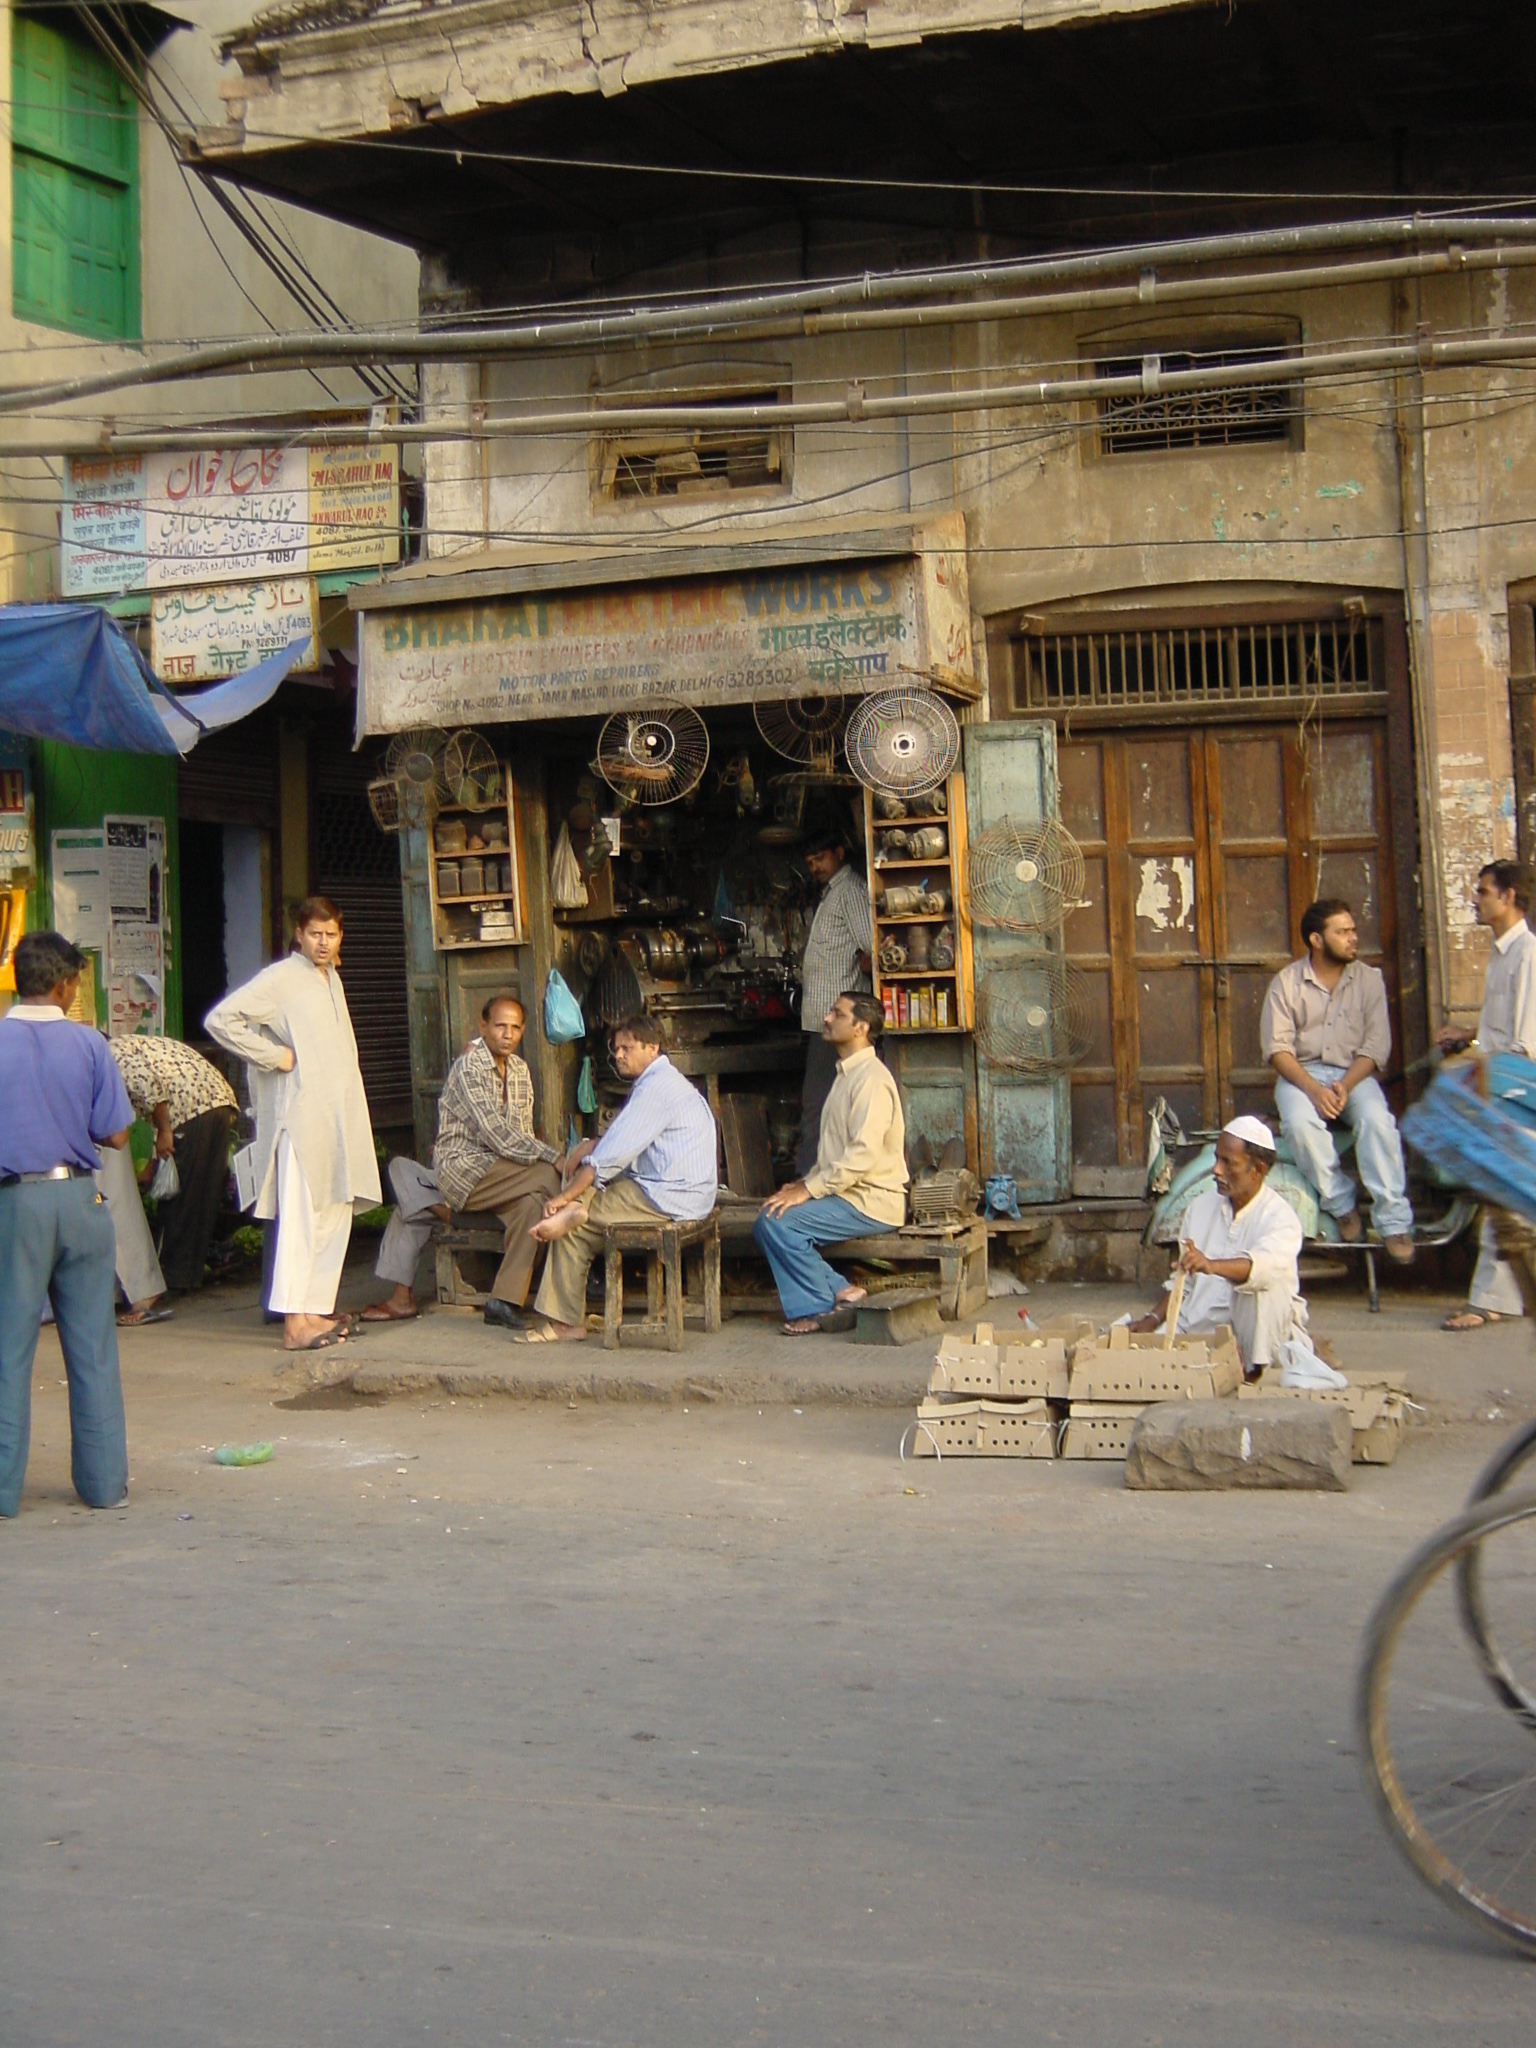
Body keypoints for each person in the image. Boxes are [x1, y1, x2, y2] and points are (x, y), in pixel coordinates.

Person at [205, 896, 380, 1353]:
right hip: (300, 1118)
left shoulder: (331, 979)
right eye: (315, 934)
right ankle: (293, 1322)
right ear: (299, 934)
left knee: (334, 1213)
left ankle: (315, 1309)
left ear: (340, 937)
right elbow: (221, 1020)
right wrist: (275, 1056)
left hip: (339, 1115)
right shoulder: (280, 978)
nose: (323, 943)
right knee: (303, 1219)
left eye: (332, 934)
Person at [0, 932, 134, 1515]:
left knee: (8, 1350)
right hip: (83, 1202)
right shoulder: (90, 1045)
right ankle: (105, 1487)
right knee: (93, 1350)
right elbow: (118, 1134)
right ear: (62, 985)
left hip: (16, 1204)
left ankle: (4, 1492)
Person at [368, 992, 563, 1328]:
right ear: (482, 1026)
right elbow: (495, 1132)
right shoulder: (468, 1068)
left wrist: (546, 1157)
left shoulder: (519, 1070)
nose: (507, 1034)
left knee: (533, 1205)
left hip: (502, 1174)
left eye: (515, 1028)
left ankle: (503, 1300)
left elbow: (522, 1134)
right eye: (500, 1026)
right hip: (465, 1171)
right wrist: (558, 1158)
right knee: (549, 1175)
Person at [522, 1013, 717, 1343]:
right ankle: (579, 1209)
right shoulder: (666, 1082)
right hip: (683, 1193)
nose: (619, 1056)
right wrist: (594, 1145)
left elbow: (604, 1163)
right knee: (588, 1195)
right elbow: (619, 1144)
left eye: (627, 1048)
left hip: (668, 1198)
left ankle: (567, 1323)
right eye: (616, 1049)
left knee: (574, 1229)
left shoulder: (655, 1089)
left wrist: (562, 1197)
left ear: (652, 1047)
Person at [1261, 897, 1414, 1264]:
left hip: (1354, 1074)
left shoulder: (1368, 980)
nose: (1352, 938)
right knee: (1299, 1125)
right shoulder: (1287, 983)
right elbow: (1277, 1049)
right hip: (1303, 1076)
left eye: (1352, 931)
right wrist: (1313, 1090)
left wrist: (1345, 1085)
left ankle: (1394, 1222)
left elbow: (1377, 1046)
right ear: (1316, 939)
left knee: (1378, 1122)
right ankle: (1342, 1205)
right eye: (1341, 932)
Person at [755, 991, 907, 1335]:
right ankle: (842, 1290)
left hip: (872, 1201)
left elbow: (861, 1158)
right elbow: (836, 1155)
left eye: (838, 1014)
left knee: (780, 1223)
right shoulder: (846, 1074)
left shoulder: (871, 1079)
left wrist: (809, 1189)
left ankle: (818, 1308)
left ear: (860, 1028)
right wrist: (801, 1186)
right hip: (848, 1194)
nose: (826, 1018)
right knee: (769, 1216)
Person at [1436, 859, 1536, 1330]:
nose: (1475, 899)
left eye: (1482, 891)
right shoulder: (1501, 954)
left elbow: (1525, 1042)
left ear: (1509, 896)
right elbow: (1499, 1031)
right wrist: (1468, 1037)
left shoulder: (1528, 953)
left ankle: (1492, 1301)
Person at [1130, 1117, 1306, 1382]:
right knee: (1130, 1358)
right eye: (1216, 1159)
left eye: (1228, 1163)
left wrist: (1211, 1265)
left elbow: (1260, 1268)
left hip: (1253, 1338)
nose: (1216, 1170)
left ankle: (1252, 1376)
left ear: (1257, 1169)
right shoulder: (1200, 1207)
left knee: (1262, 1287)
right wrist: (1152, 1319)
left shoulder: (1281, 1218)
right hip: (1197, 1331)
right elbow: (1183, 1285)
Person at [107, 1033, 239, 1310]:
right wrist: (154, 1164)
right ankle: (188, 1277)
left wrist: (165, 1132)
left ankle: (170, 1279)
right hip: (216, 1101)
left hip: (190, 1110)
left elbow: (151, 1088)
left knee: (178, 1200)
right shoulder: (136, 1044)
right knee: (199, 1195)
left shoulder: (112, 1053)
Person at [795, 824, 872, 1175]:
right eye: (810, 861)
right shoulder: (829, 894)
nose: (815, 867)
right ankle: (815, 1177)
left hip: (838, 1025)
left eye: (820, 858)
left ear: (839, 853)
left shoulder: (850, 892)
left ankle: (807, 1181)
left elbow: (871, 947)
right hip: (821, 1025)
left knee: (818, 1107)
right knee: (821, 1106)